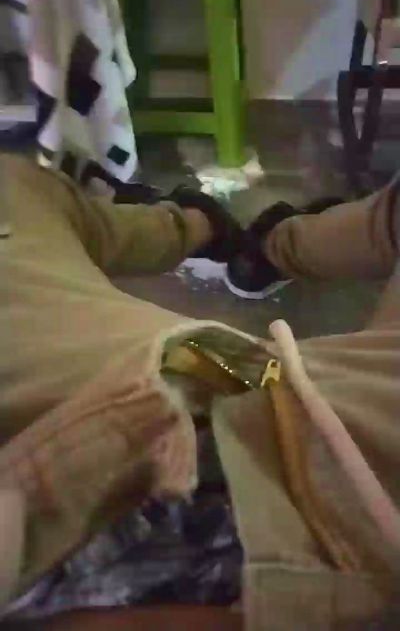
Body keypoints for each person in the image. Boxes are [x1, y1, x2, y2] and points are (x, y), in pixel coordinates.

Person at [1, 153, 400, 629]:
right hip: (214, 380)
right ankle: (262, 246)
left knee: (242, 373)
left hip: (199, 385)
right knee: (249, 374)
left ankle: (241, 242)